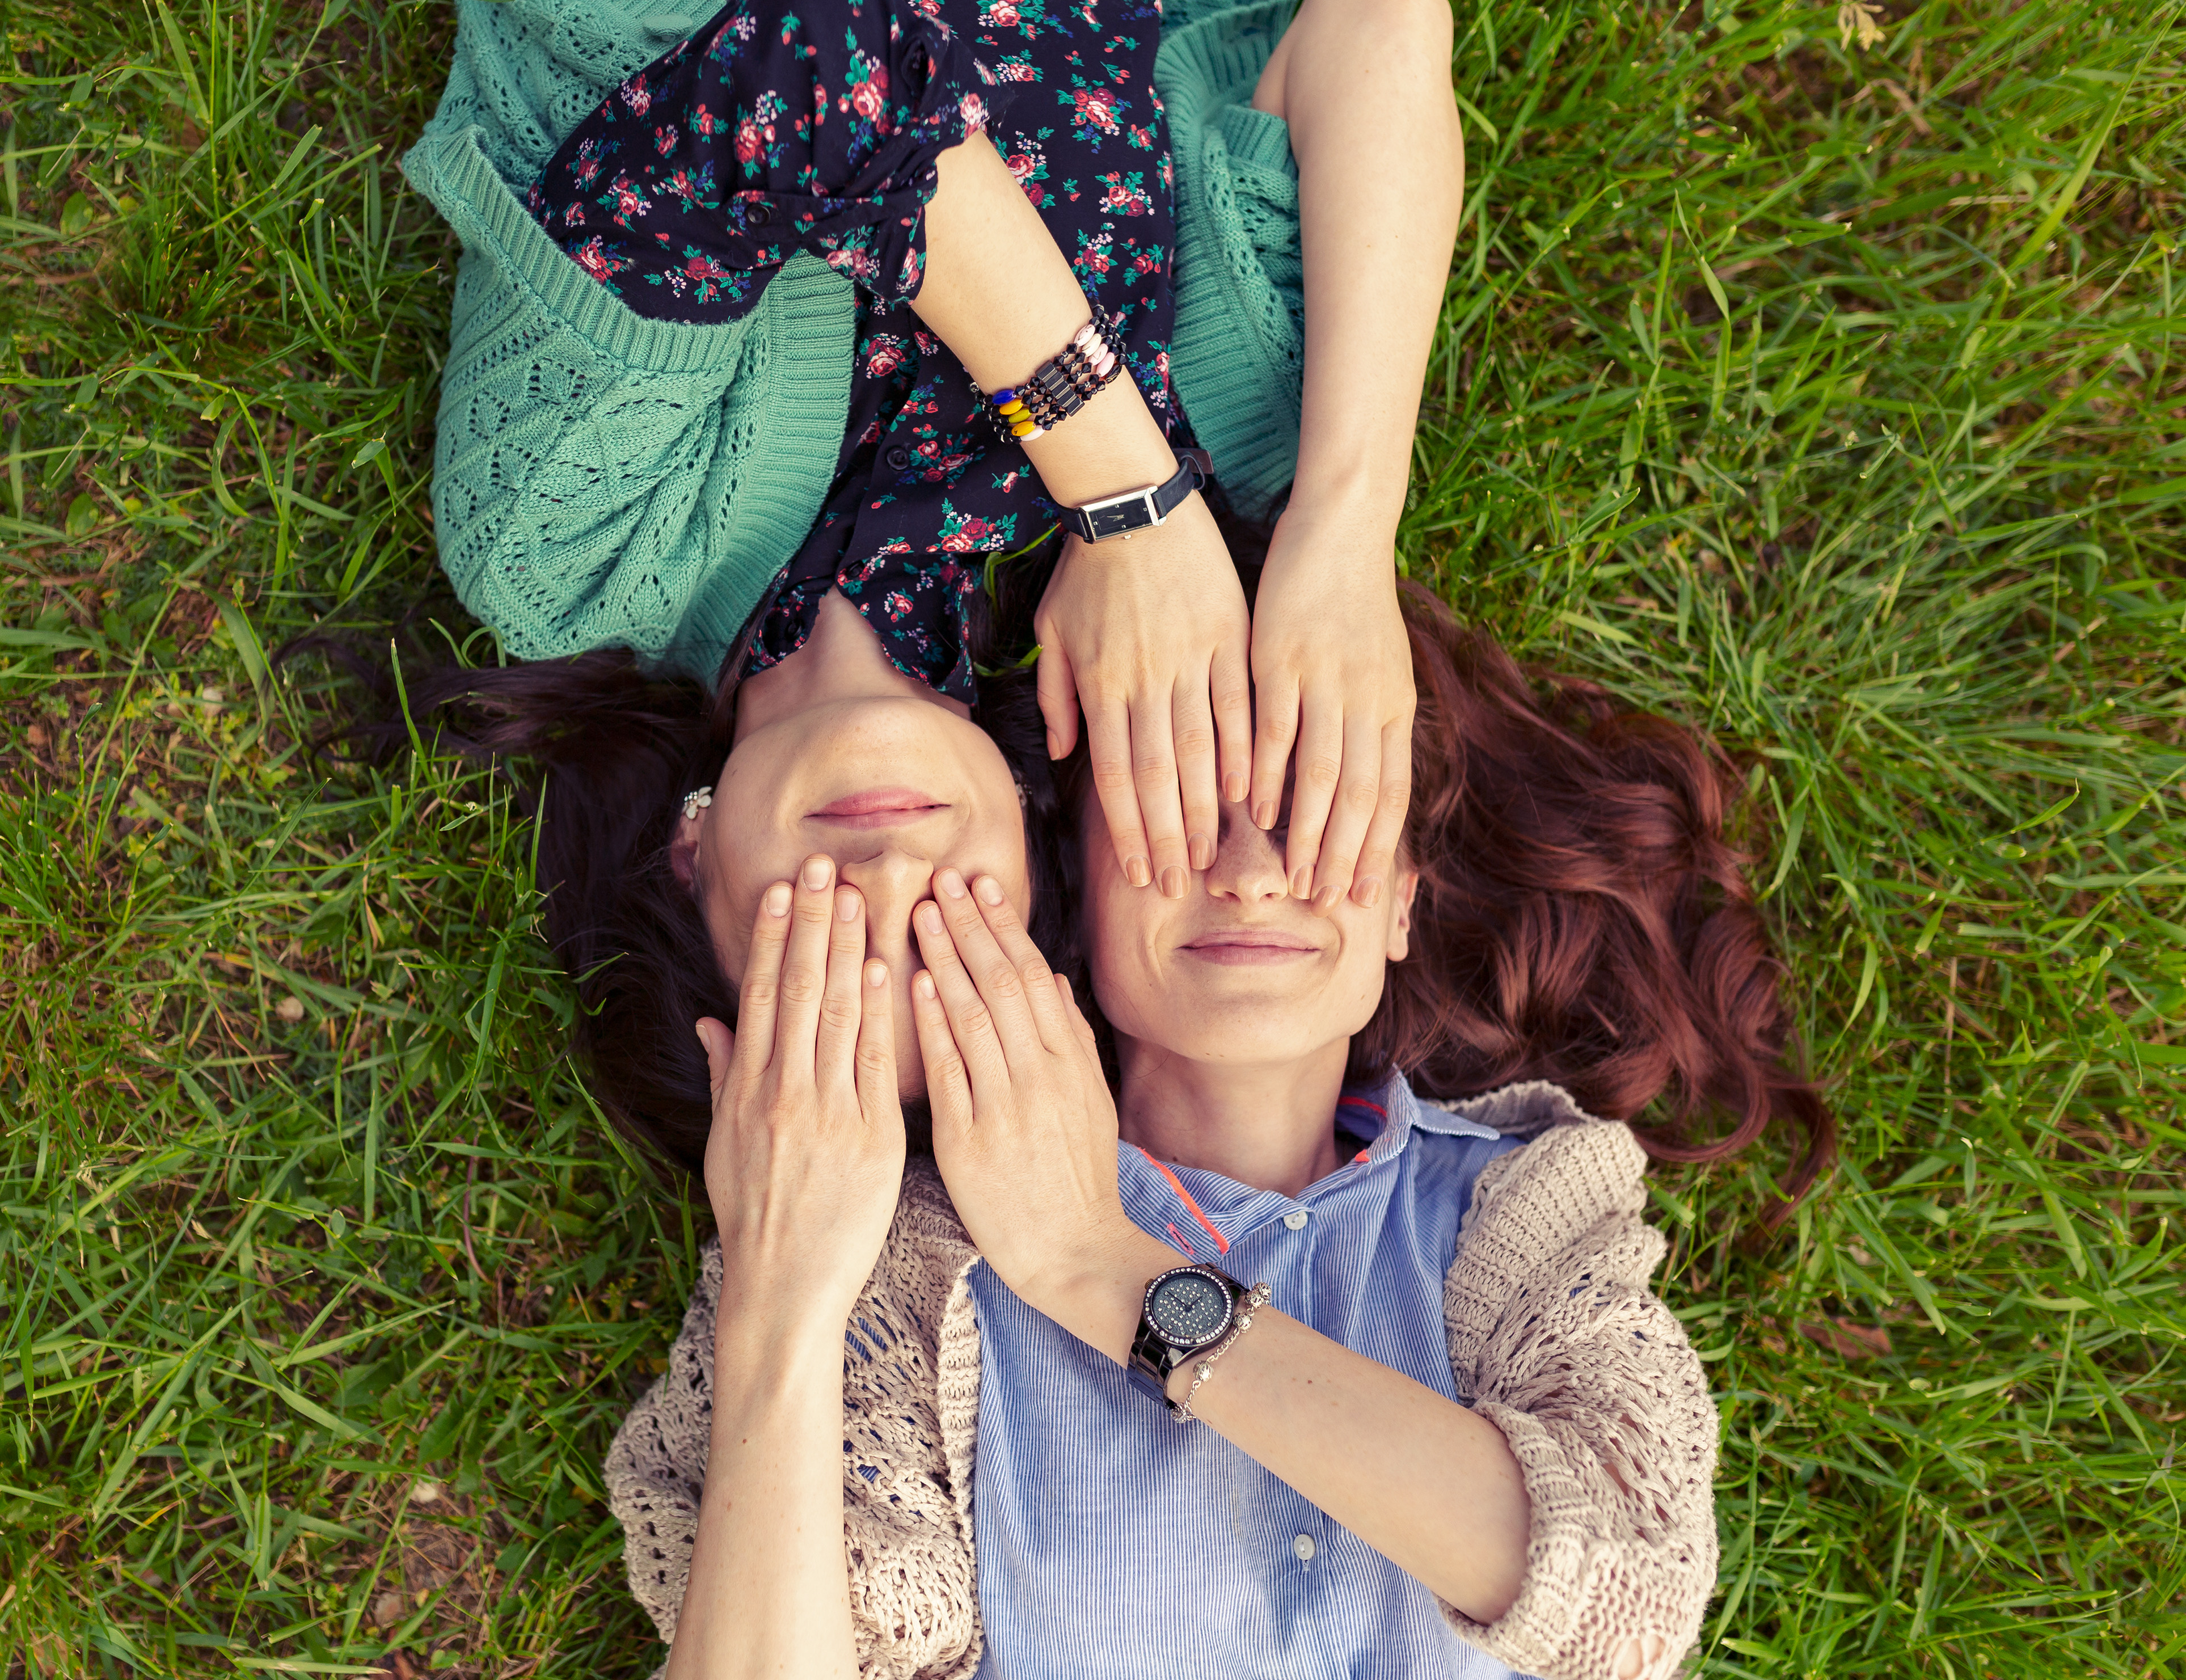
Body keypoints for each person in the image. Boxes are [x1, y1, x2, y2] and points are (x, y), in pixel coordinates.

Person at [603, 581, 1837, 1680]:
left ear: (1403, 896)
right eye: (1176, 803)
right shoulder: (900, 1264)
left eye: (1317, 806)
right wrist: (779, 1293)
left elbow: (1624, 1597)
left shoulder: (1524, 1214)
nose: (1250, 869)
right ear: (1070, 877)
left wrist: (1101, 1265)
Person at [379, 0, 1465, 1151]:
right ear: (1050, 896)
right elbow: (1374, 16)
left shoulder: (568, 550)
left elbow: (811, 66)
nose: (893, 876)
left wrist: (1129, 498)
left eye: (831, 952)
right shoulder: (1199, 510)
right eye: (956, 935)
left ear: (689, 866)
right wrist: (1345, 537)